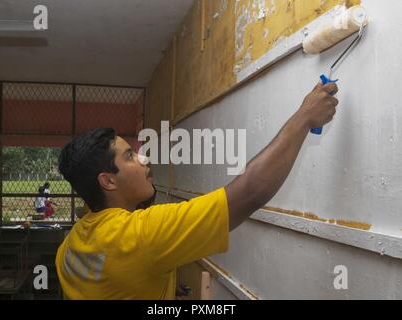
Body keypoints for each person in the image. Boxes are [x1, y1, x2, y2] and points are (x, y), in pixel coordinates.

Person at [55, 82, 339, 299]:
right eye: (129, 156)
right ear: (108, 182)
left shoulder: (70, 245)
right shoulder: (139, 236)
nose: (143, 159)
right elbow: (250, 191)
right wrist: (304, 118)